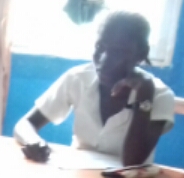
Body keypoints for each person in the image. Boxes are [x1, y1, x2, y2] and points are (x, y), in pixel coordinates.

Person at [13, 11, 175, 165]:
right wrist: (34, 141)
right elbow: (25, 124)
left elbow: (133, 162)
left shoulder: (161, 96)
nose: (104, 60)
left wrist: (144, 95)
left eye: (118, 52)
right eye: (100, 47)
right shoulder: (78, 78)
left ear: (141, 55)